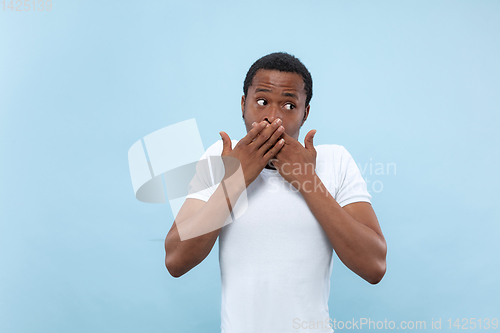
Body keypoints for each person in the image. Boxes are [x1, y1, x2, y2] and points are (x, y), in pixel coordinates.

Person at [164, 52, 387, 333]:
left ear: (305, 113)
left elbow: (374, 266)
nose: (273, 117)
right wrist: (237, 179)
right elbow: (176, 260)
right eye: (261, 102)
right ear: (243, 104)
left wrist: (307, 180)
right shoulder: (219, 159)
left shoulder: (335, 160)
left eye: (289, 105)